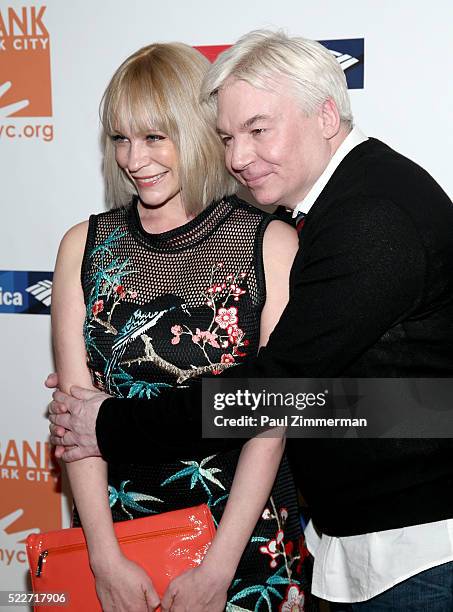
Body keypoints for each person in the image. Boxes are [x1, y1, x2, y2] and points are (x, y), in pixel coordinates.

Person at [49, 30, 453, 610]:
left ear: (325, 115)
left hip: (408, 548)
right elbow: (350, 391)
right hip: (364, 537)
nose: (238, 157)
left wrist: (109, 420)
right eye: (228, 136)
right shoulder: (343, 204)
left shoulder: (367, 218)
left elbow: (275, 390)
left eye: (259, 130)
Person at [50, 41, 316, 612]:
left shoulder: (270, 245)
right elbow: (77, 422)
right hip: (118, 540)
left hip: (246, 546)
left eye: (154, 137)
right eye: (120, 138)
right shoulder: (84, 247)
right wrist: (104, 558)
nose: (133, 158)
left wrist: (218, 571)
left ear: (196, 130)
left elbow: (271, 423)